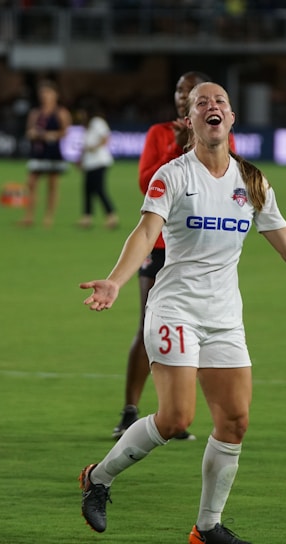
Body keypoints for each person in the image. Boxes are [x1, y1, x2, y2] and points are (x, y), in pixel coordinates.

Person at [78, 81, 286, 543]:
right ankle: (98, 479)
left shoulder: (251, 181)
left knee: (235, 421)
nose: (213, 107)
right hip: (174, 309)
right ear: (189, 121)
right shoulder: (172, 175)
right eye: (202, 103)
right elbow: (144, 231)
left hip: (225, 316)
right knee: (176, 420)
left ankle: (206, 528)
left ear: (231, 119)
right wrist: (115, 279)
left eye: (221, 103)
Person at [111, 71, 230, 441]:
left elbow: (226, 179)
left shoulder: (218, 130)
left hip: (200, 249)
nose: (181, 96)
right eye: (179, 90)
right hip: (160, 246)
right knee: (147, 325)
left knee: (196, 330)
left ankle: (173, 413)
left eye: (188, 91)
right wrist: (175, 147)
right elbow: (147, 182)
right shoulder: (159, 133)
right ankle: (131, 410)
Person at [18, 79, 71, 228]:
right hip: (39, 151)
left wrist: (51, 135)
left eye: (48, 93)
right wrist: (34, 134)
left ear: (55, 95)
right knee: (31, 182)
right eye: (43, 93)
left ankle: (48, 217)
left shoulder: (61, 112)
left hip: (53, 151)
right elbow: (29, 131)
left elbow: (65, 131)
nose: (45, 96)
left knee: (52, 185)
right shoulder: (36, 113)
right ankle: (29, 216)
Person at [75, 99, 117, 229]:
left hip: (99, 161)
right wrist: (80, 159)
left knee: (99, 189)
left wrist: (95, 147)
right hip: (90, 163)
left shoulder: (97, 122)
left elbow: (106, 138)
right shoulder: (87, 126)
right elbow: (85, 145)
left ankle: (111, 216)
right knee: (87, 190)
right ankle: (87, 217)